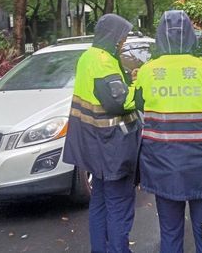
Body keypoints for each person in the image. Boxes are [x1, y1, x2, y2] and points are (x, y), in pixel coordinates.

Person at [134, 10, 202, 253]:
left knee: (169, 233)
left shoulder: (148, 71)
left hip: (163, 165)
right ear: (191, 35)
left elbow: (139, 105)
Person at [63, 14, 142, 253]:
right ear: (112, 36)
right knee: (119, 205)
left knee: (99, 202)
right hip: (113, 147)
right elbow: (119, 103)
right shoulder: (103, 60)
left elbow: (102, 93)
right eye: (122, 37)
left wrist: (127, 79)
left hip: (93, 144)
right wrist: (139, 85)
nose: (123, 42)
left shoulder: (87, 57)